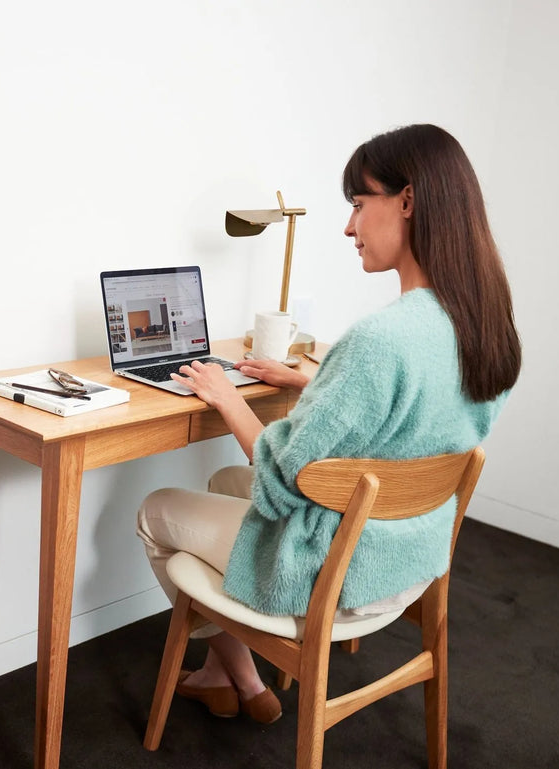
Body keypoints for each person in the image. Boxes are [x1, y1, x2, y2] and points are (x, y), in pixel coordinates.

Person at [136, 123, 521, 724]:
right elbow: (417, 421)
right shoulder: (480, 324)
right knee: (219, 486)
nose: (349, 227)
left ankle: (236, 668)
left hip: (338, 571)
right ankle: (228, 672)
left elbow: (280, 480)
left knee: (156, 508)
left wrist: (224, 394)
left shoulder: (379, 340)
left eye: (358, 204)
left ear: (408, 201)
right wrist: (318, 383)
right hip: (411, 558)